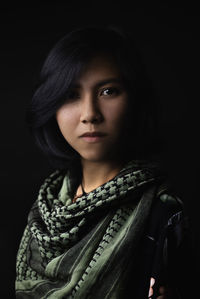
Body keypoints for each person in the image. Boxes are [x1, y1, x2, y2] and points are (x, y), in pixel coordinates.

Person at [15, 24, 191, 299]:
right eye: (71, 95)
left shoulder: (163, 214)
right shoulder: (45, 209)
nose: (90, 114)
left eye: (108, 91)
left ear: (135, 100)